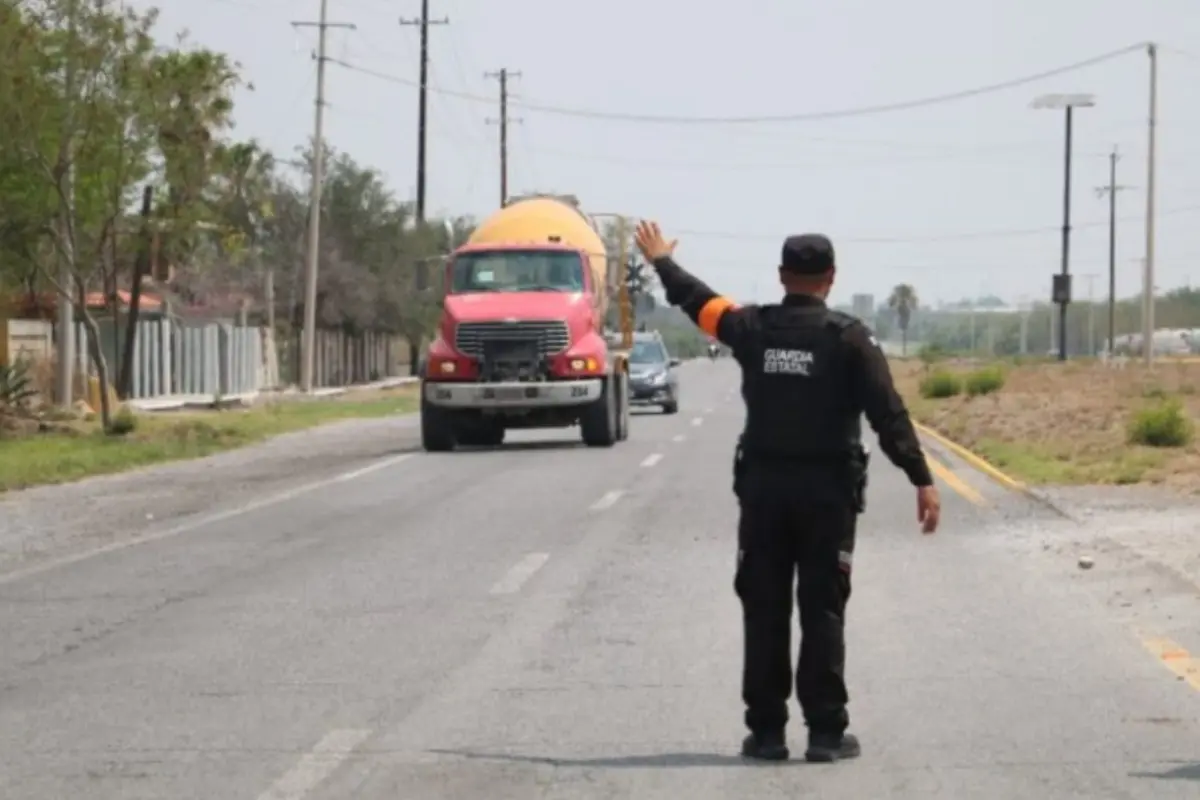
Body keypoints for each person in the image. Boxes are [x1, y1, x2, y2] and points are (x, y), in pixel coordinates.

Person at [632, 220, 940, 764]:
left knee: (765, 608)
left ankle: (768, 733)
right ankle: (825, 733)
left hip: (765, 494)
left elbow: (697, 300)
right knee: (823, 609)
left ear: (782, 276)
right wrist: (921, 477)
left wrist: (661, 262)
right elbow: (887, 413)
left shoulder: (752, 328)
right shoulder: (850, 339)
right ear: (831, 278)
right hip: (828, 495)